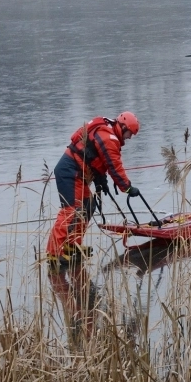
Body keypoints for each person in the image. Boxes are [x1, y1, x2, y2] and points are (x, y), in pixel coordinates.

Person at [45, 111, 141, 344]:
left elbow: (98, 159)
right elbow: (114, 164)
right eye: (129, 134)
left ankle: (72, 247)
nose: (128, 140)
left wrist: (100, 180)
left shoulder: (107, 131)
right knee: (71, 211)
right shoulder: (110, 137)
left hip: (79, 173)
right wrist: (127, 188)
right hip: (70, 172)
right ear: (123, 127)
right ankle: (54, 254)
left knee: (88, 206)